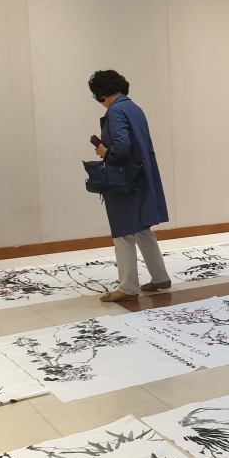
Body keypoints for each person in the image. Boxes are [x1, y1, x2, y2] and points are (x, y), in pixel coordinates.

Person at [88, 70, 171, 302]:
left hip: (124, 179)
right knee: (142, 229)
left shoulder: (115, 111)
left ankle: (127, 287)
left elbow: (122, 146)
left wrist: (105, 152)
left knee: (123, 232)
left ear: (101, 94)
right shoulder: (134, 108)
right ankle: (160, 277)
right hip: (140, 175)